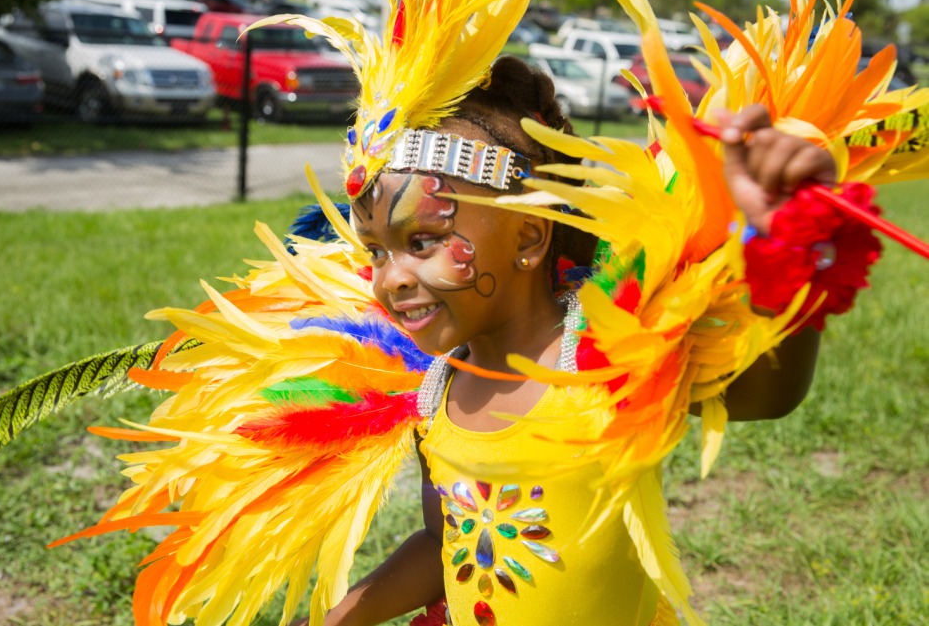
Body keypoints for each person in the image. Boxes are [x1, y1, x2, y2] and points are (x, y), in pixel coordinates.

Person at [287, 53, 831, 626]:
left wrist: (793, 244)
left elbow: (766, 397)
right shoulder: (434, 394)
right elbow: (441, 537)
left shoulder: (605, 357)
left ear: (528, 235)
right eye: (376, 250)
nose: (390, 276)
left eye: (423, 240)